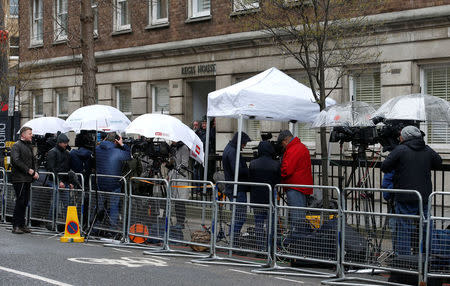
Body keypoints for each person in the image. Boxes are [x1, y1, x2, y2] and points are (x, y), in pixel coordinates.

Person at [381, 125, 442, 255]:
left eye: (401, 135)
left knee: (404, 228)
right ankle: (431, 256)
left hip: (404, 196)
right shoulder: (427, 149)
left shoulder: (400, 149)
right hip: (424, 196)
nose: (399, 137)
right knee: (426, 226)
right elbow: (438, 162)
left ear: (405, 137)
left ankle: (404, 260)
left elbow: (385, 166)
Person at [277, 130, 313, 239]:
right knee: (299, 216)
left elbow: (287, 170)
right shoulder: (299, 146)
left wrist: (278, 169)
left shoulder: (294, 149)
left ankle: (297, 242)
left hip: (296, 187)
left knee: (297, 217)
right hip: (300, 186)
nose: (282, 146)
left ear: (286, 140)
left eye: (282, 143)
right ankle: (298, 240)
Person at [249, 141, 280, 250]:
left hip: (256, 198)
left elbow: (250, 179)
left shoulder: (253, 163)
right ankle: (270, 247)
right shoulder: (276, 164)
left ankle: (260, 247)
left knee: (258, 224)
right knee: (270, 224)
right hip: (270, 198)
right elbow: (278, 181)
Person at [96, 133, 131, 227]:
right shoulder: (117, 151)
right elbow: (129, 155)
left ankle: (96, 227)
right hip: (114, 183)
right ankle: (112, 228)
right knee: (114, 206)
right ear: (116, 141)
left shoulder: (97, 149)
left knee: (99, 206)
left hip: (100, 182)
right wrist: (123, 144)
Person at [222, 131, 251, 238]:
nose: (244, 146)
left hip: (233, 188)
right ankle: (234, 240)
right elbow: (237, 171)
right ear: (239, 142)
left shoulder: (230, 149)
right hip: (236, 189)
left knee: (237, 216)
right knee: (240, 216)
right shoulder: (233, 151)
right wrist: (248, 170)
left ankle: (233, 238)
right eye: (244, 144)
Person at [10, 127, 39, 234]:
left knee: (25, 202)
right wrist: (29, 171)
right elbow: (16, 161)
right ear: (23, 135)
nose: (32, 135)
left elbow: (33, 161)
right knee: (20, 201)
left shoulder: (29, 146)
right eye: (30, 133)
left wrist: (35, 172)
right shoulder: (16, 146)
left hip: (27, 179)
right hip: (19, 178)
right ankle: (16, 225)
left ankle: (22, 224)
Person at [47, 133, 73, 223]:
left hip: (62, 181)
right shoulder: (53, 152)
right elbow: (51, 168)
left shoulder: (66, 153)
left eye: (66, 143)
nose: (66, 144)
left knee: (66, 203)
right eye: (64, 143)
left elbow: (67, 169)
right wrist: (60, 181)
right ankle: (51, 222)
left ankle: (65, 223)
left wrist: (69, 182)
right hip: (56, 181)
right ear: (59, 143)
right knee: (55, 203)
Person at [168, 141, 190, 229]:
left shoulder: (184, 148)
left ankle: (181, 222)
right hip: (174, 178)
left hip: (181, 178)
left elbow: (185, 164)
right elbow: (172, 163)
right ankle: (178, 221)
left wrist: (176, 168)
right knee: (176, 202)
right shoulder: (174, 148)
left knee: (180, 202)